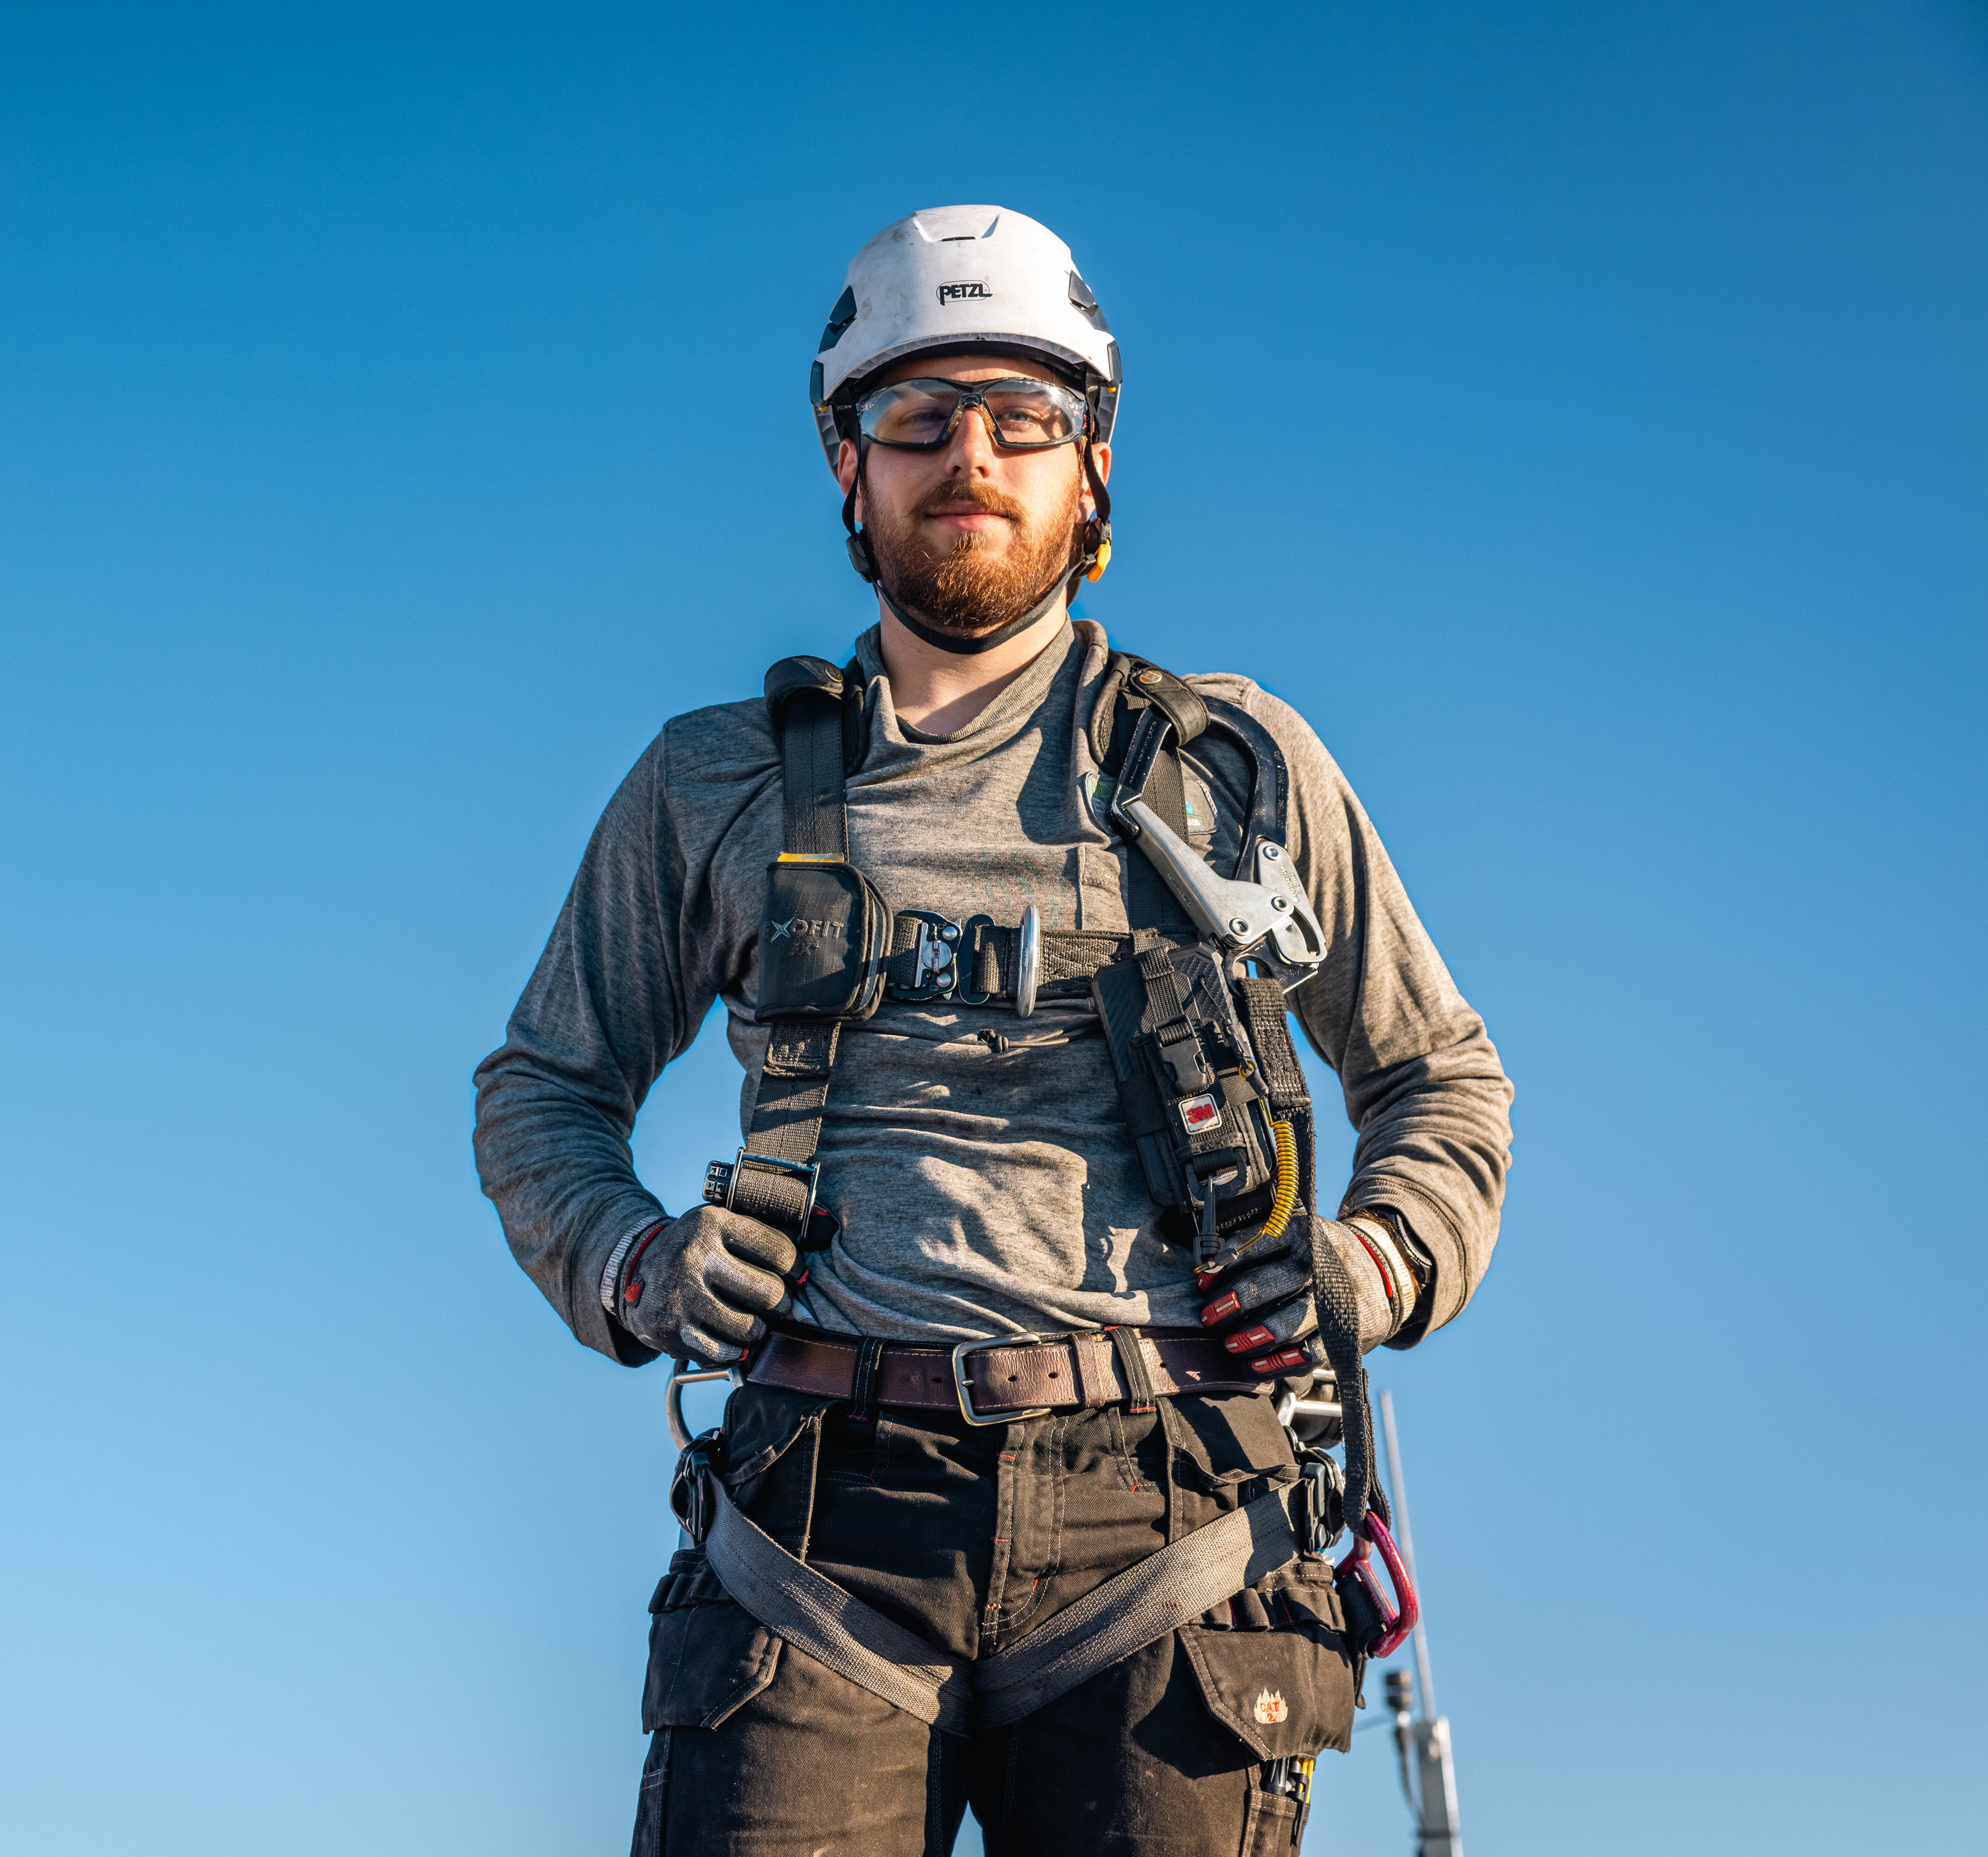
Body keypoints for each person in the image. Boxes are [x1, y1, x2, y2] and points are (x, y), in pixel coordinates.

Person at [473, 204, 1512, 1857]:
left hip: (1178, 1533)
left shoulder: (1238, 769)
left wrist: (1370, 1267)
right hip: (816, 1530)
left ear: (1093, 466)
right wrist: (634, 1268)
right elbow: (543, 1089)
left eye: (1024, 417)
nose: (972, 455)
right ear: (848, 465)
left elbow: (1440, 1079)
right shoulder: (713, 784)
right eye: (918, 415)